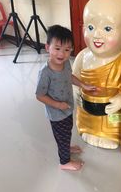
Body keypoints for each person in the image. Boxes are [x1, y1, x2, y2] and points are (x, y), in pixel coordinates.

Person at [73, 0, 121, 149]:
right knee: (85, 114)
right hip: (87, 111)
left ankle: (111, 135)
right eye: (90, 27)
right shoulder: (83, 56)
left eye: (107, 28)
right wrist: (75, 89)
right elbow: (74, 77)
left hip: (113, 115)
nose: (97, 34)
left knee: (116, 118)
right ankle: (88, 129)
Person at [36, 25, 97, 171]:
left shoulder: (65, 64)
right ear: (47, 47)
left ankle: (66, 147)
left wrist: (84, 85)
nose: (62, 54)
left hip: (67, 108)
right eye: (57, 48)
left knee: (66, 131)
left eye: (67, 49)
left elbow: (69, 77)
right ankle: (64, 162)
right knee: (62, 134)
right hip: (57, 113)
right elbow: (39, 95)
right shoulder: (45, 73)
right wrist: (57, 105)